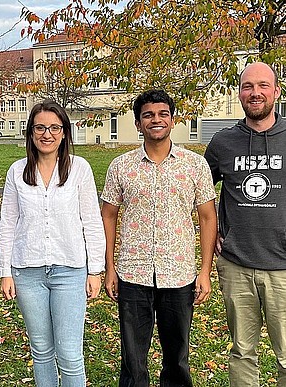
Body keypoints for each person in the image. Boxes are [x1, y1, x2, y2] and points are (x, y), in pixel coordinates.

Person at [101, 89, 217, 387]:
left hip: (178, 275)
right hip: (132, 274)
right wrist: (109, 268)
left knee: (177, 358)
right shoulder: (121, 166)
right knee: (133, 360)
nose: (156, 120)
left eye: (163, 114)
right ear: (138, 123)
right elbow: (108, 216)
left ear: (173, 120)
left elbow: (207, 217)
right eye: (148, 115)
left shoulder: (194, 165)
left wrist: (204, 271)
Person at [0, 100, 106, 387]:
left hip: (70, 272)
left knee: (70, 354)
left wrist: (95, 269)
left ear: (64, 132)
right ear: (31, 133)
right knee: (42, 351)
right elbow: (7, 223)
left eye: (55, 128)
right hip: (27, 272)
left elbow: (92, 221)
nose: (47, 134)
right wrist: (5, 272)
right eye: (40, 127)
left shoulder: (79, 169)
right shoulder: (17, 172)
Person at [204, 62, 286, 386]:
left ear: (276, 91)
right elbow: (198, 195)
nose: (256, 93)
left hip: (283, 268)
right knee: (241, 352)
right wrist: (217, 232)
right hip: (236, 266)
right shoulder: (223, 143)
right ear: (239, 93)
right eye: (248, 86)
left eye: (263, 85)